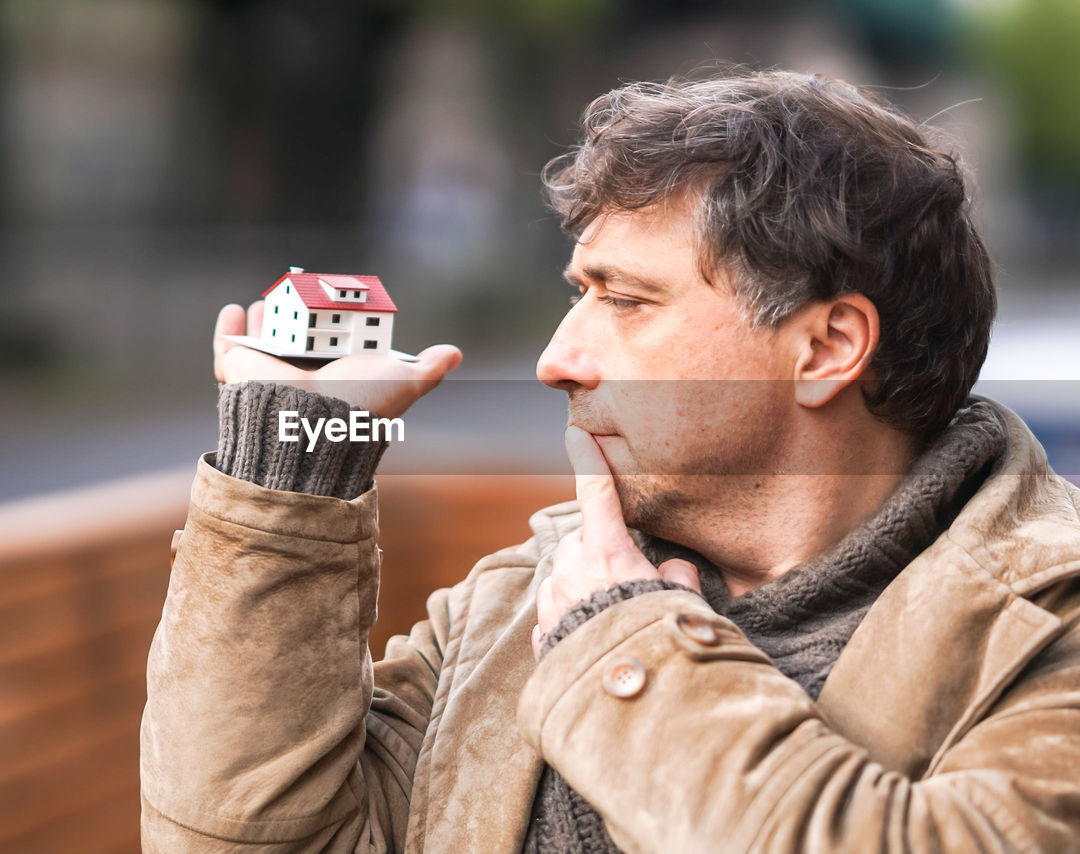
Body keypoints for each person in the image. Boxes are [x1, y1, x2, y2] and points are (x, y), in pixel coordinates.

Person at [140, 70, 1080, 853]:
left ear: (829, 345)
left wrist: (628, 648)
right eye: (579, 292)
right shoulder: (517, 601)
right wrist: (291, 466)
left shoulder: (1047, 623)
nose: (557, 360)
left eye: (626, 301)